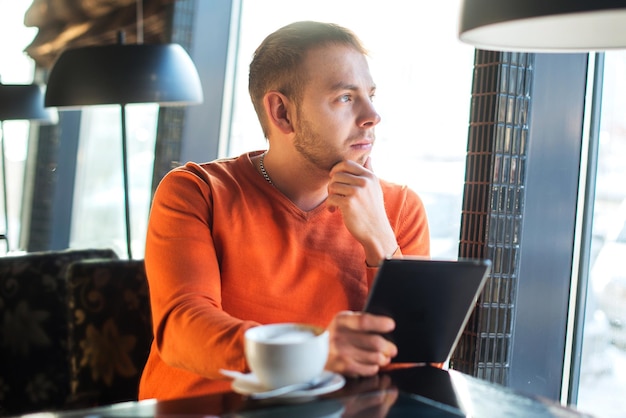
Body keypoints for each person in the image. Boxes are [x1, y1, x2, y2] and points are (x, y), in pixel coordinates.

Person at [138, 20, 430, 401]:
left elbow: (419, 368)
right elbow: (182, 331)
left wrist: (381, 242)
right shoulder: (197, 191)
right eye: (345, 97)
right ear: (281, 113)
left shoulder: (400, 209)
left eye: (370, 95)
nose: (372, 115)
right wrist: (312, 352)